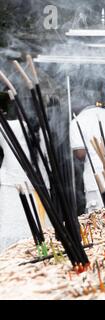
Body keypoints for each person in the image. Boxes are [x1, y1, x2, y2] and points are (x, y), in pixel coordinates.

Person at [0, 94, 44, 253]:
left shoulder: (4, 126)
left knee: (10, 223)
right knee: (29, 223)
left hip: (11, 180)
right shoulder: (26, 125)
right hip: (28, 179)